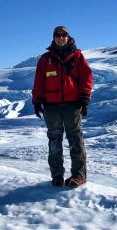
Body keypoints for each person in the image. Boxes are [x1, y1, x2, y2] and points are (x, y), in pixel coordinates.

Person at [32, 25, 94, 188]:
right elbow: (39, 81)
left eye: (64, 35)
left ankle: (78, 176)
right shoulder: (45, 59)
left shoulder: (77, 56)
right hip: (51, 106)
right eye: (57, 35)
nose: (61, 37)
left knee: (75, 139)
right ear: (53, 38)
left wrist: (85, 97)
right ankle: (57, 175)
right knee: (54, 140)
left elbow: (86, 77)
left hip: (72, 105)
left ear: (68, 37)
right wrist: (37, 100)